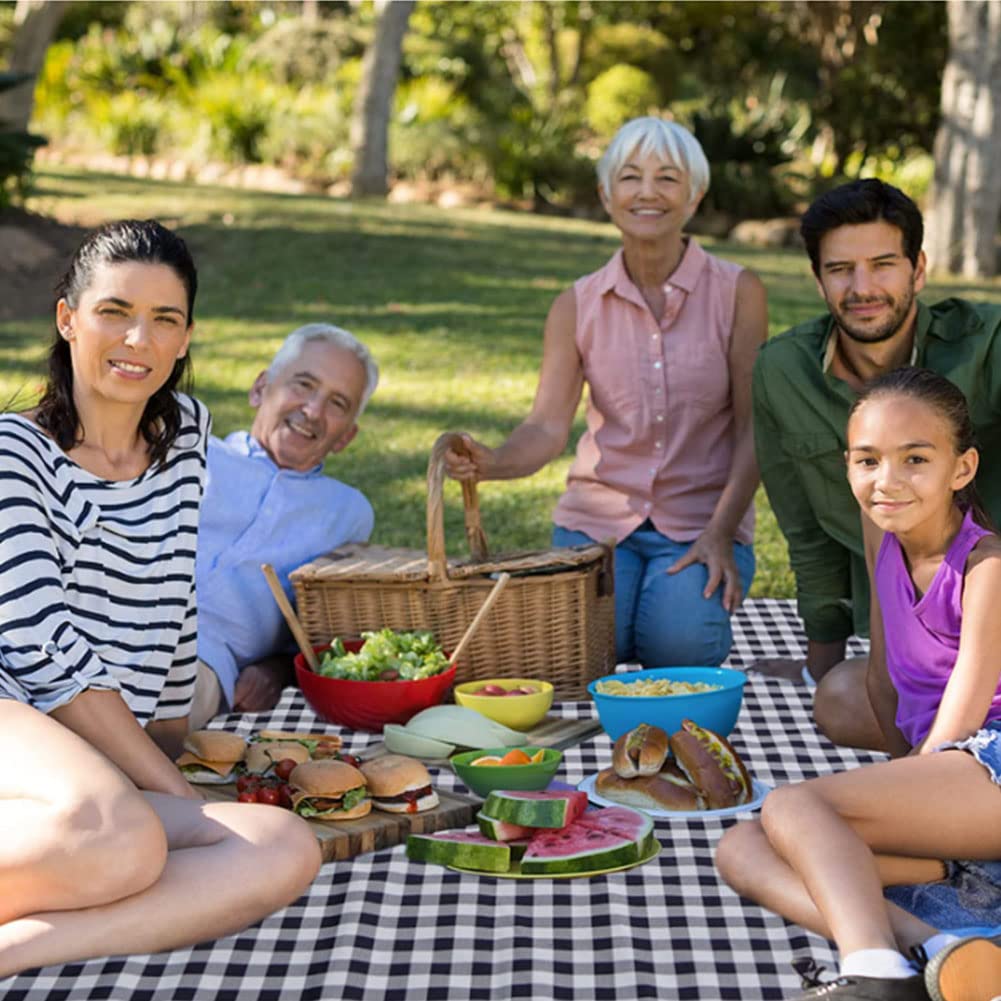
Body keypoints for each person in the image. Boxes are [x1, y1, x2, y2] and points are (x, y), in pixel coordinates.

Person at [0, 220, 320, 976]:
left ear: (185, 339)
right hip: (15, 713)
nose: (137, 338)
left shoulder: (185, 441)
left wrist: (172, 740)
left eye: (164, 319)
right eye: (114, 310)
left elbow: (174, 603)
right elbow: (43, 645)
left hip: (93, 769)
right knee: (124, 836)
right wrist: (169, 786)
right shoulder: (15, 451)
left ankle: (16, 949)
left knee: (280, 844)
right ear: (67, 317)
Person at [716, 368, 1001, 1001]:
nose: (887, 481)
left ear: (962, 468)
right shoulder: (883, 532)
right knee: (745, 846)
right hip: (955, 797)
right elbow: (885, 670)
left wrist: (906, 802)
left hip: (988, 765)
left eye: (915, 459)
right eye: (867, 460)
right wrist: (898, 794)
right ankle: (935, 949)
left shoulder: (989, 568)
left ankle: (873, 974)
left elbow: (960, 720)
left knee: (793, 806)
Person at [444, 116, 767, 669]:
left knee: (680, 649)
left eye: (667, 178)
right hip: (595, 526)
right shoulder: (576, 304)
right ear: (605, 194)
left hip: (700, 524)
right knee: (579, 654)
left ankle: (670, 609)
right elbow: (546, 427)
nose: (647, 192)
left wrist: (721, 533)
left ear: (695, 195)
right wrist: (491, 463)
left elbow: (754, 428)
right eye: (630, 177)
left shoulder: (739, 292)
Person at [751, 178, 1001, 750]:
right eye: (840, 269)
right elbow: (806, 531)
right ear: (818, 280)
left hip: (988, 593)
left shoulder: (988, 342)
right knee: (836, 698)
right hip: (914, 633)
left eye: (883, 264)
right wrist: (820, 657)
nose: (862, 288)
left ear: (918, 270)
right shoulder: (783, 371)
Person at [190, 323, 378, 726]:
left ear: (347, 437)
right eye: (303, 384)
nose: (312, 410)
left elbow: (323, 625)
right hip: (114, 621)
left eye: (337, 404)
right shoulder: (192, 453)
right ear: (260, 389)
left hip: (197, 663)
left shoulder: (346, 513)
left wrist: (277, 669)